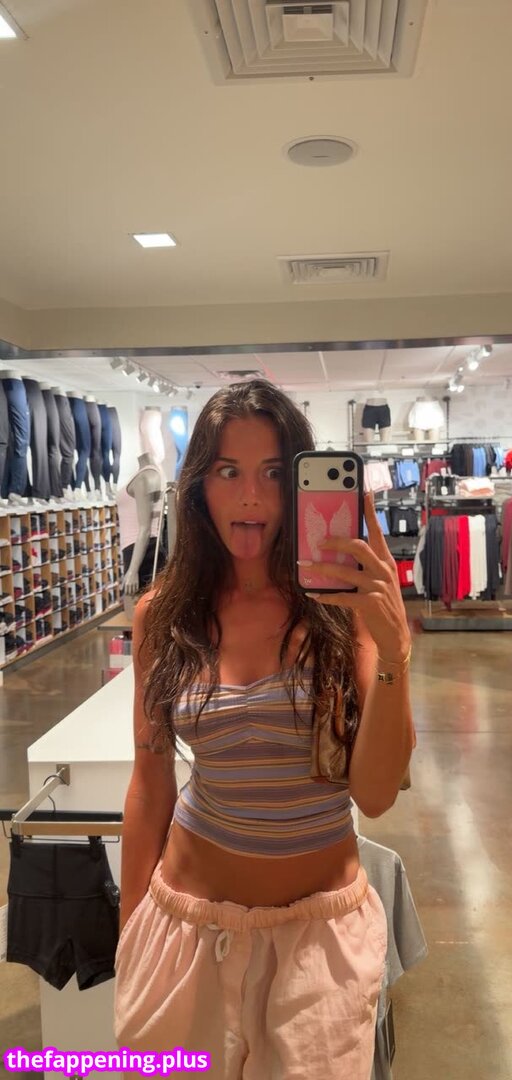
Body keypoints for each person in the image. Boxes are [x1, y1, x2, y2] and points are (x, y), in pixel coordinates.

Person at [113, 380, 415, 1079]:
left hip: (317, 945)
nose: (251, 496)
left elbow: (375, 796)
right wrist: (131, 935)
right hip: (184, 929)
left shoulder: (341, 611)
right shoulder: (164, 614)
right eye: (229, 471)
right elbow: (150, 783)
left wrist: (394, 653)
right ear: (199, 485)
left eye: (275, 473)